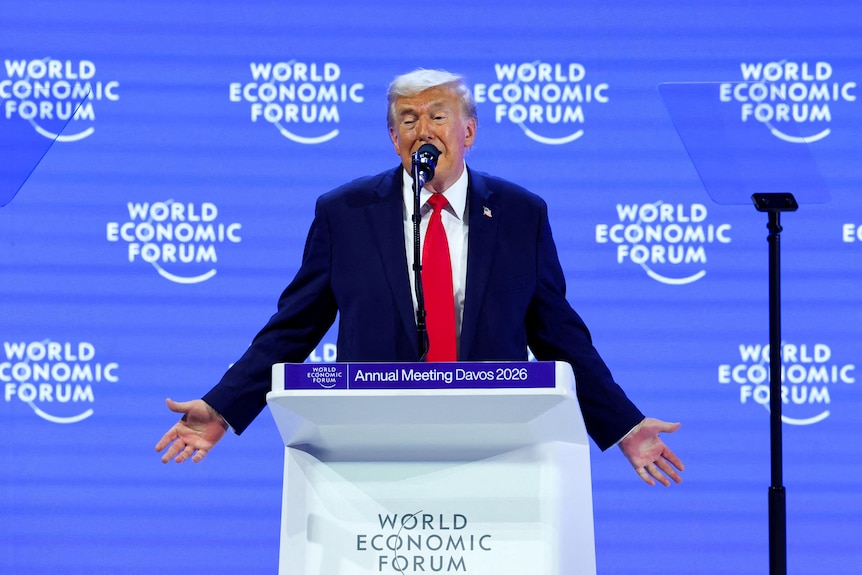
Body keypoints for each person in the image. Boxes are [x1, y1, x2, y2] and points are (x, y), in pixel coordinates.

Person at [156, 68, 684, 487]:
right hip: (371, 450)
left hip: (495, 446)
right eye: (408, 120)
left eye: (438, 115)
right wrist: (224, 406)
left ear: (468, 131)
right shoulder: (345, 213)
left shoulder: (521, 214)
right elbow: (294, 327)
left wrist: (622, 425)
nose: (423, 131)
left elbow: (558, 334)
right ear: (393, 138)